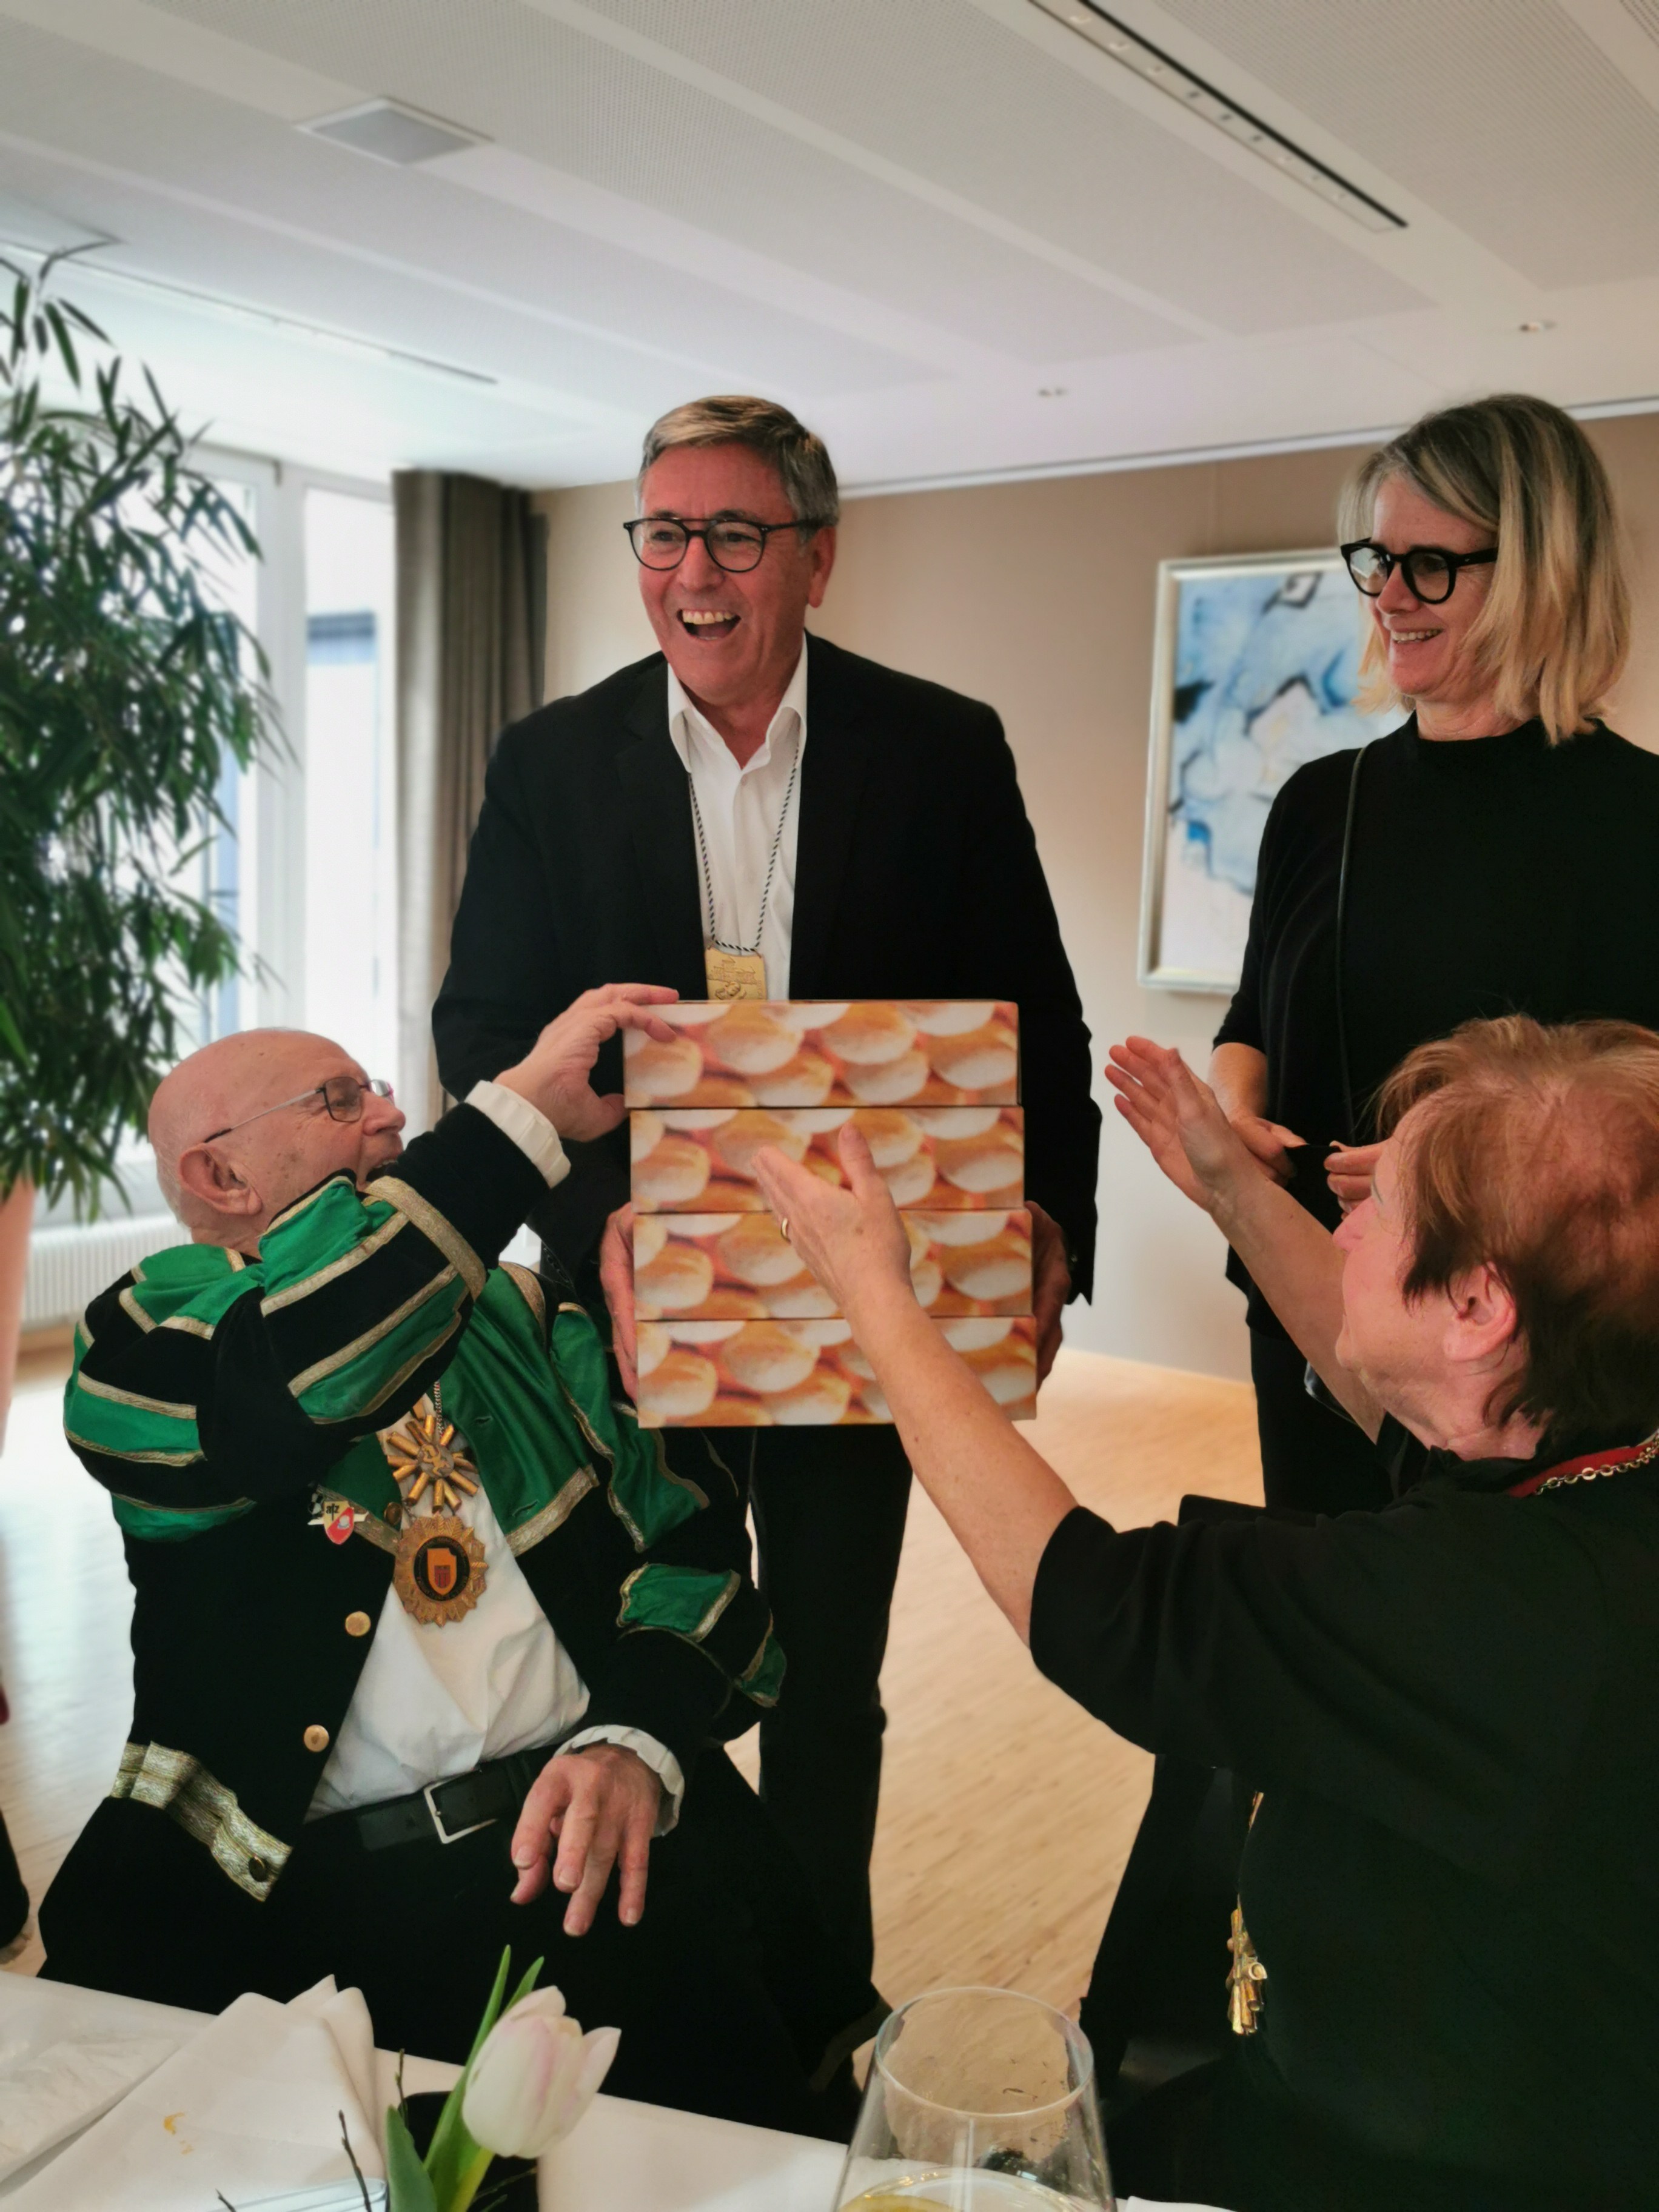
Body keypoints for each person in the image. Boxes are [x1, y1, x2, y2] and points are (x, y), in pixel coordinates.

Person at [749, 1015, 1659, 2211]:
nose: (1345, 1223)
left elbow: (1093, 1603)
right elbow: (1409, 1422)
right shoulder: (1588, 1466)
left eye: (1381, 1205)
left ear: (1479, 1306)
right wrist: (1231, 1187)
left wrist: (877, 1302)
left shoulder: (1482, 1612)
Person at [432, 394, 1100, 1974]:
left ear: (817, 556)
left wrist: (1052, 1225)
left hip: (860, 1311)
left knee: (822, 1675)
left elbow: (1036, 1022)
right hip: (633, 1297)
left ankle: (814, 2001)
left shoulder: (940, 749)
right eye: (665, 532)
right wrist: (595, 1226)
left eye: (734, 534)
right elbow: (483, 1031)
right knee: (637, 1653)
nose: (693, 571)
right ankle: (657, 1990)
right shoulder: (549, 761)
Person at [40, 987, 881, 2136]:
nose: (391, 1115)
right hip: (320, 1912)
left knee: (748, 2159)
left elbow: (694, 1547)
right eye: (340, 1099)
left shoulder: (526, 1313)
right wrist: (522, 1109)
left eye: (379, 1088)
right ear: (220, 1176)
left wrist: (633, 1739)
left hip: (600, 1860)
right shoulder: (133, 1350)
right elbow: (310, 1378)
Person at [1211, 392, 1659, 1513]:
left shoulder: (1640, 820)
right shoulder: (1319, 803)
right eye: (1378, 560)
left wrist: (1446, 1169)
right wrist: (1229, 1113)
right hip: (1317, 1314)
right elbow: (1253, 1019)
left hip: (1532, 1376)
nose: (1390, 598)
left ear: (1544, 574)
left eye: (1431, 566)